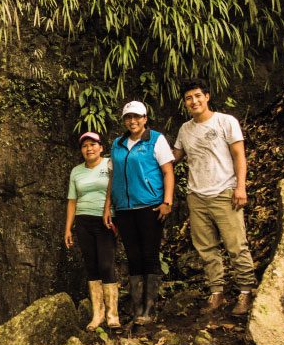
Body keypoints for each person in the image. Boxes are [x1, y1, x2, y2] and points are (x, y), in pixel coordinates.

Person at [172, 78, 258, 316]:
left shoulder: (225, 121)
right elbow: (173, 157)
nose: (194, 101)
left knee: (236, 245)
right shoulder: (185, 129)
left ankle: (245, 293)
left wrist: (241, 187)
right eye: (189, 98)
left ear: (207, 96)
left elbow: (239, 156)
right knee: (206, 248)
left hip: (224, 192)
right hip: (196, 196)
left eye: (198, 96)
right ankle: (216, 293)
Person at [103, 101, 175, 323]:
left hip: (149, 207)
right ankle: (137, 308)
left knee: (149, 255)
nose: (132, 121)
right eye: (128, 117)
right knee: (133, 256)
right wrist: (107, 207)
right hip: (124, 209)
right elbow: (113, 177)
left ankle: (149, 309)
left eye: (137, 117)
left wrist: (167, 201)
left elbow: (168, 172)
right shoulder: (118, 143)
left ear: (145, 118)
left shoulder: (155, 139)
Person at [65, 132, 120, 329]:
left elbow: (117, 190)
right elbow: (72, 200)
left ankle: (113, 314)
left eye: (93, 144)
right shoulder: (76, 171)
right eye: (85, 146)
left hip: (104, 220)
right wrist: (68, 229)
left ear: (101, 147)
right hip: (82, 221)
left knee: (106, 264)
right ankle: (98, 315)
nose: (89, 148)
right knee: (91, 266)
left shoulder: (110, 164)